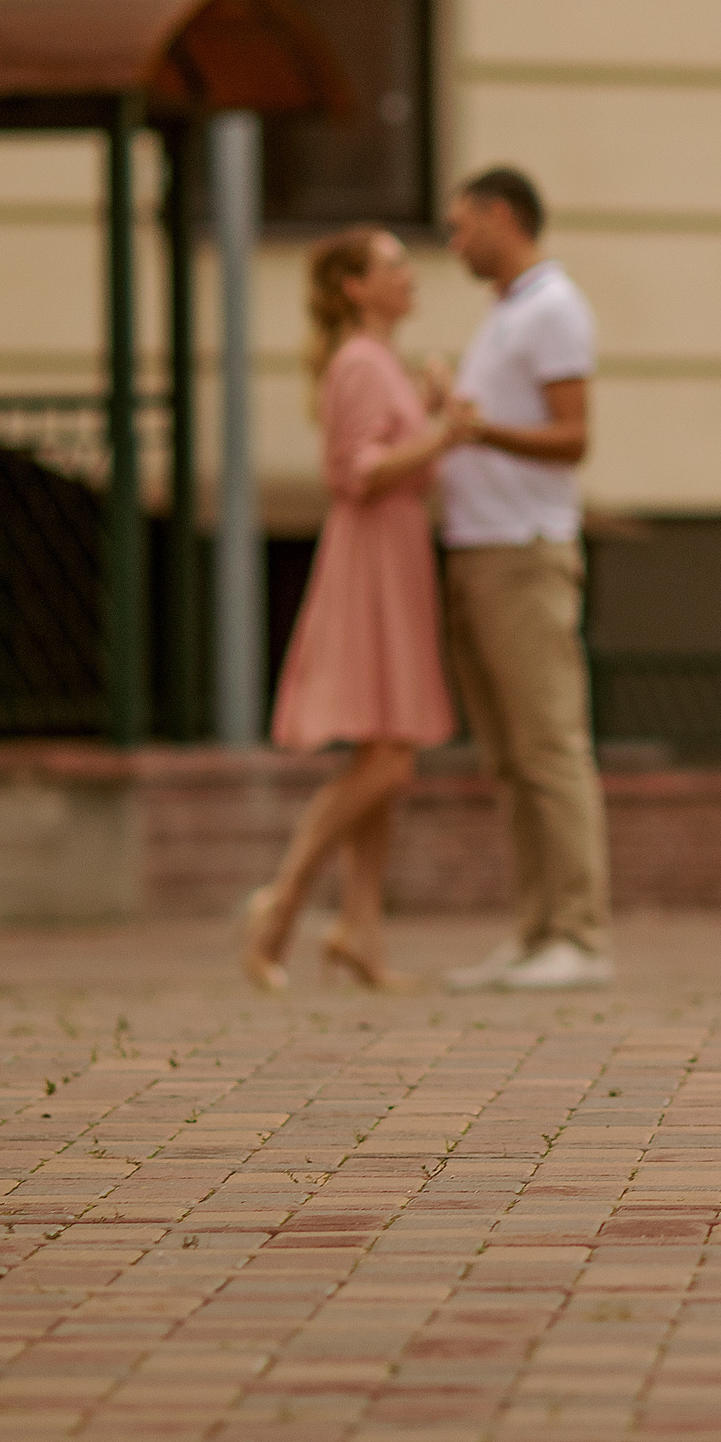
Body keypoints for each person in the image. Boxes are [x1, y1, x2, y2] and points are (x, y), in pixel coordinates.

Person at [246, 227, 472, 993]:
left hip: (392, 554)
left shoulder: (379, 365)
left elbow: (389, 456)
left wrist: (432, 410)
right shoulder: (361, 363)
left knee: (386, 753)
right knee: (389, 756)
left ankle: (359, 931)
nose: (411, 275)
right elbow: (359, 471)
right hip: (374, 556)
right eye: (394, 265)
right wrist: (447, 430)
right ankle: (282, 903)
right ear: (355, 286)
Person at [434, 166, 614, 992]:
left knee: (549, 747)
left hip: (524, 548)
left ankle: (579, 932)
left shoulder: (552, 309)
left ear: (503, 216)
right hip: (479, 544)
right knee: (508, 755)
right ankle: (536, 927)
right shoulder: (506, 313)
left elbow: (572, 437)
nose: (455, 239)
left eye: (463, 223)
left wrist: (477, 429)